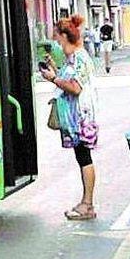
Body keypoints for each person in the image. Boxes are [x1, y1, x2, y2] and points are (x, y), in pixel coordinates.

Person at [39, 14, 99, 221]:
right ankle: (86, 202)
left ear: (65, 36)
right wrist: (54, 71)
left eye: (57, 36)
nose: (55, 41)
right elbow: (68, 79)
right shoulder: (71, 59)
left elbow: (74, 87)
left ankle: (88, 204)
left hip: (81, 117)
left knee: (84, 157)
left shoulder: (81, 58)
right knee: (81, 157)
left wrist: (53, 78)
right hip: (73, 118)